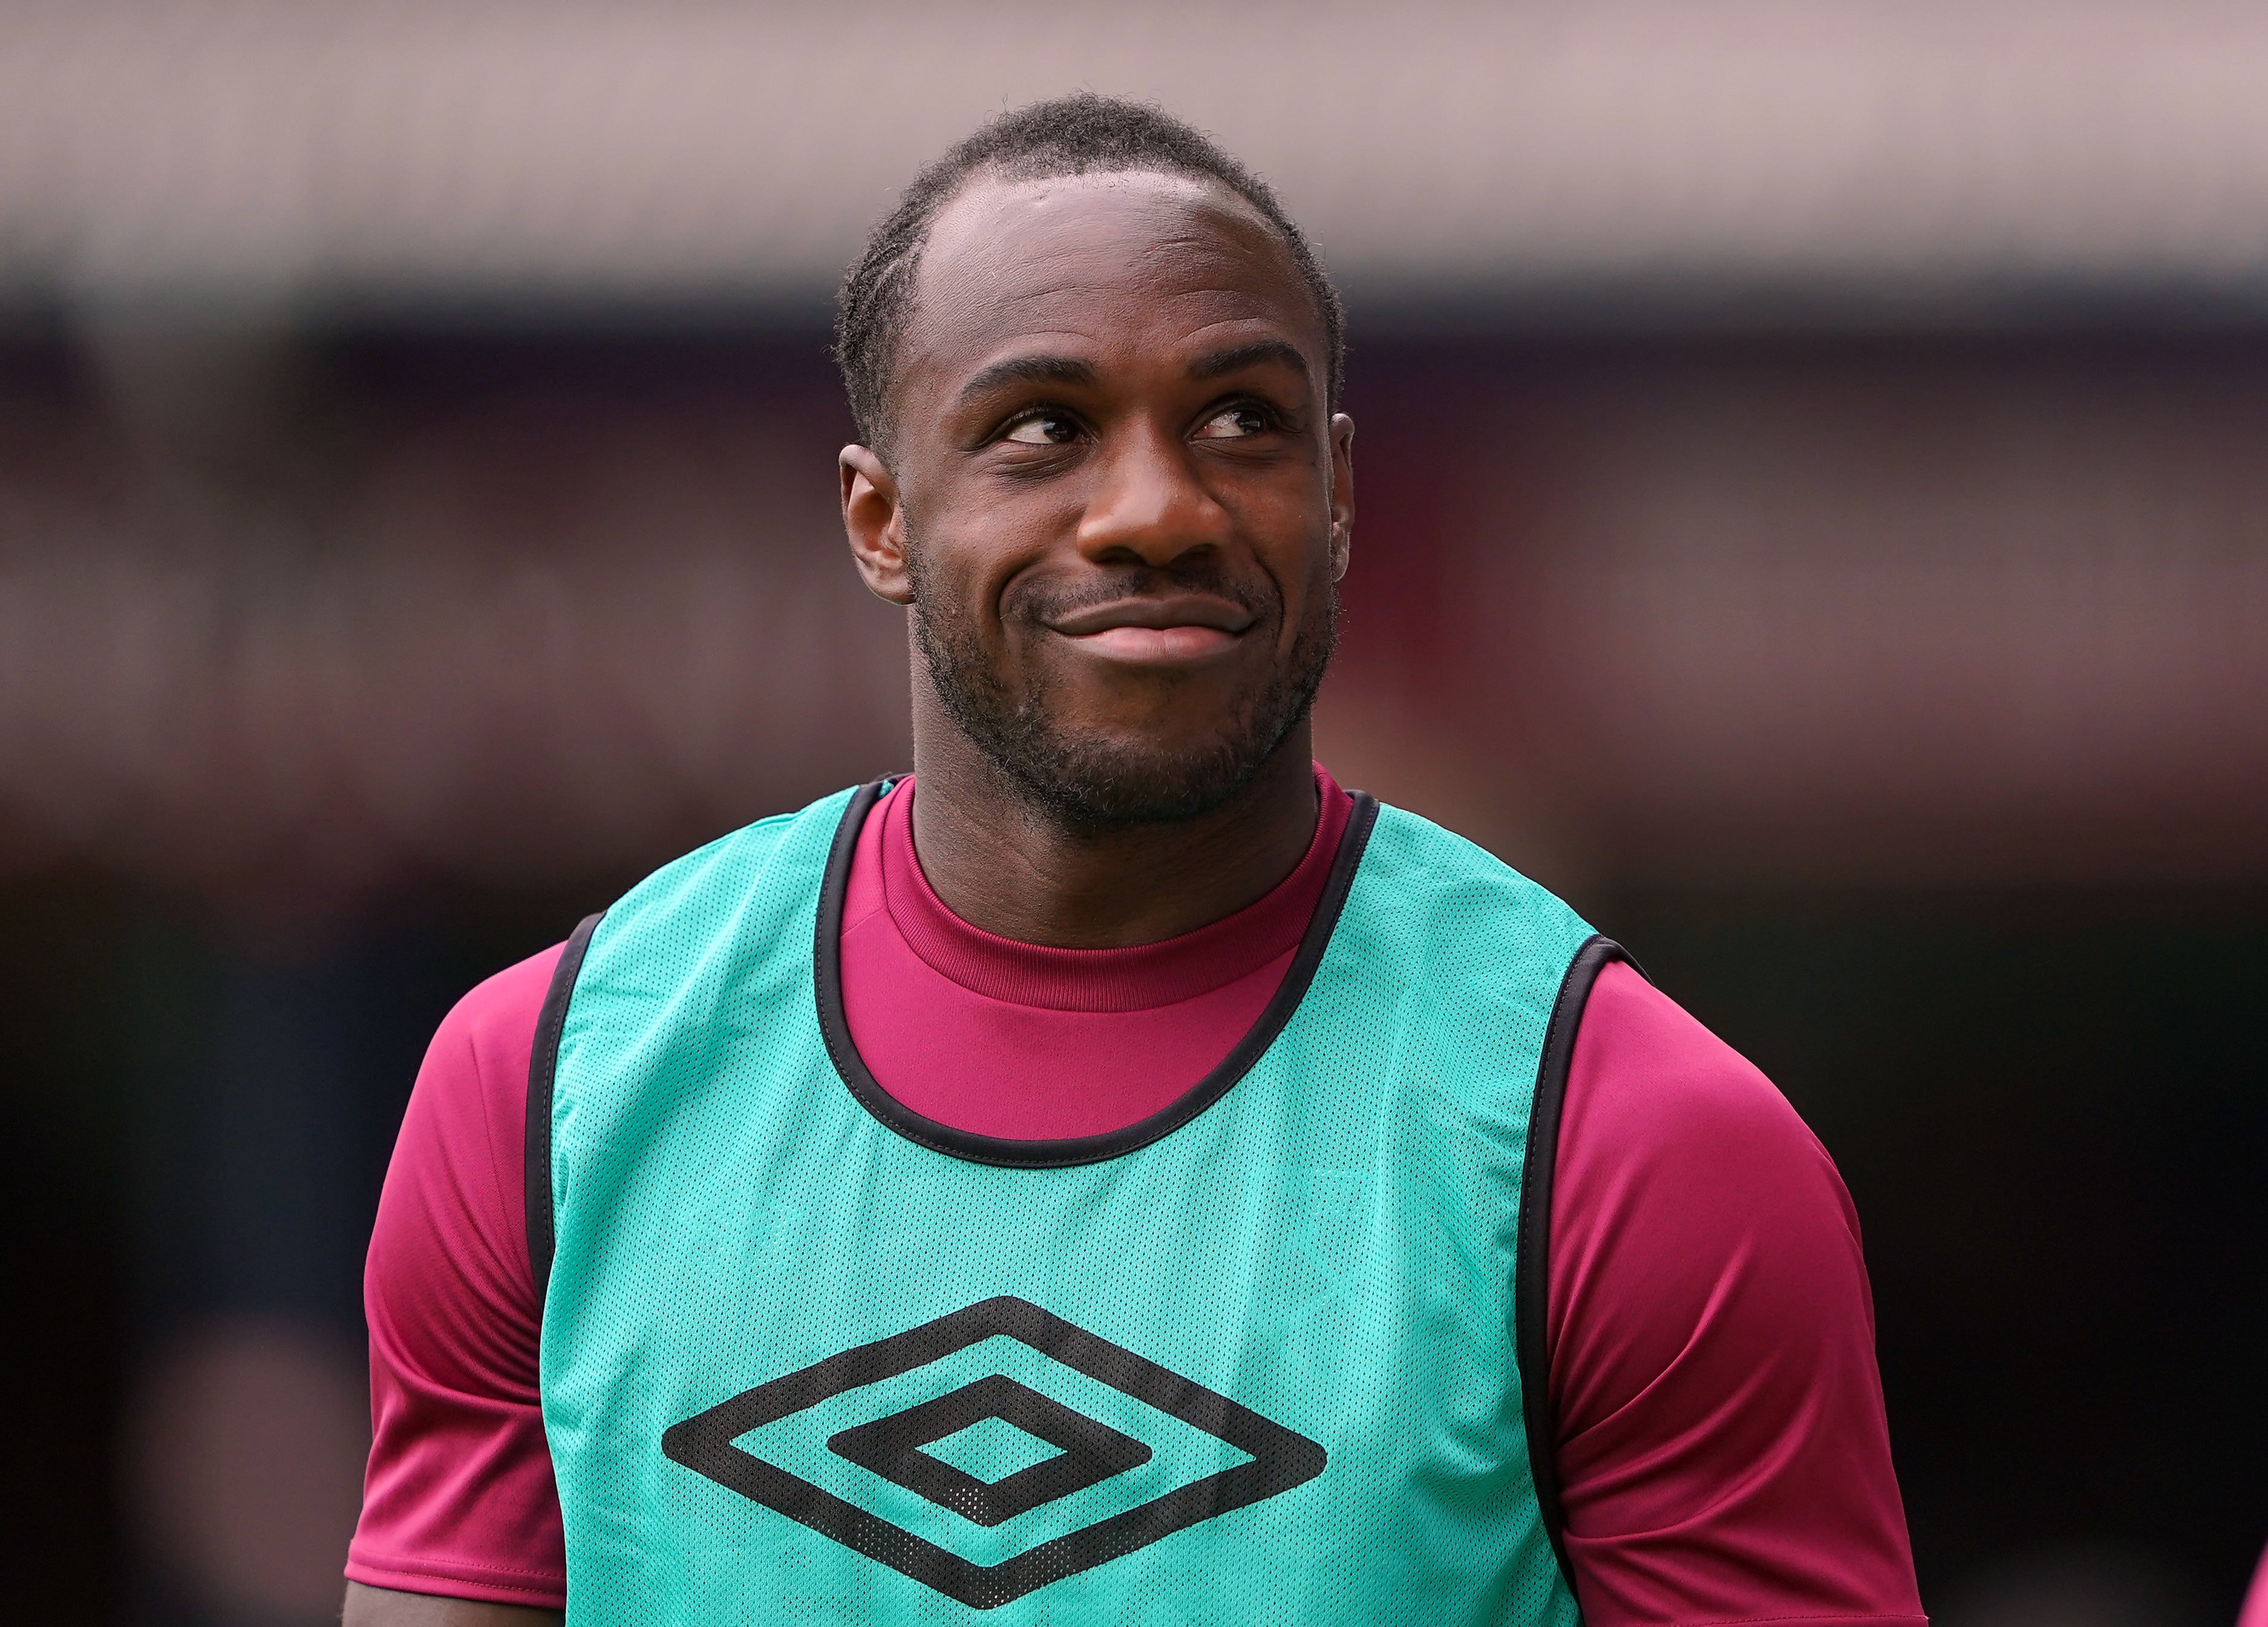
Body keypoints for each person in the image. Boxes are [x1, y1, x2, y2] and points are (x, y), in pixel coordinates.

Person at [342, 96, 1926, 1627]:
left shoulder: (1627, 1139)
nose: (1158, 506)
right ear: (883, 519)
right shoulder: (551, 1094)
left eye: (1243, 418)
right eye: (1043, 429)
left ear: (1341, 493)